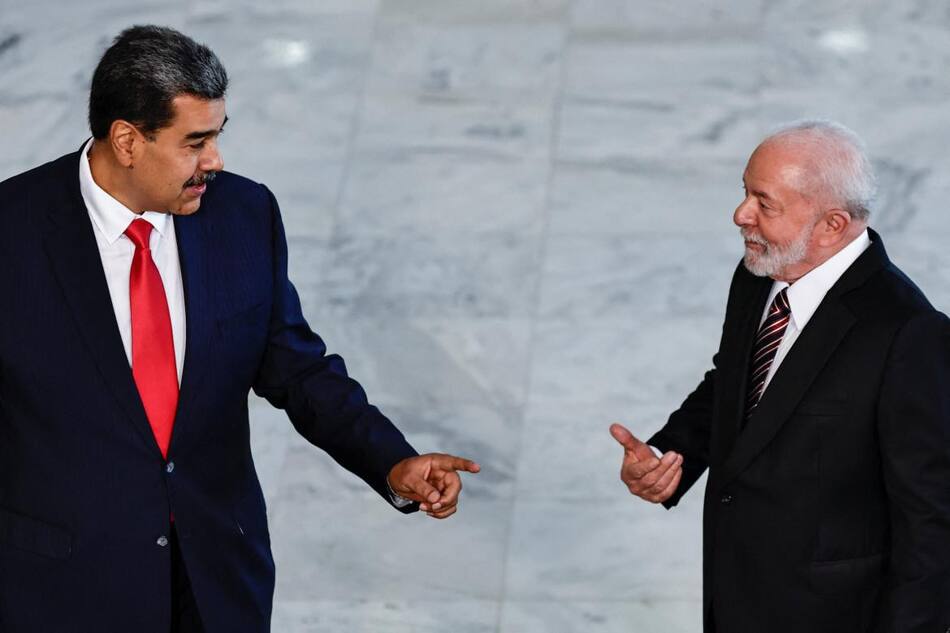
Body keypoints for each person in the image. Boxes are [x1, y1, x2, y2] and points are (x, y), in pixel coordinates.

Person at [0, 25, 479, 633]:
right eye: (194, 142)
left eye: (217, 137)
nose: (215, 162)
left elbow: (297, 367)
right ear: (126, 141)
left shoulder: (243, 215)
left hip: (216, 577)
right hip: (63, 588)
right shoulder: (12, 234)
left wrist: (391, 463)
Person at [610, 120, 950, 632]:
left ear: (832, 225)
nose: (741, 214)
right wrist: (670, 456)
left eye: (764, 204)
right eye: (745, 191)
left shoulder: (908, 334)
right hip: (736, 597)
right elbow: (735, 382)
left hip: (832, 615)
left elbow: (931, 518)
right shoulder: (759, 272)